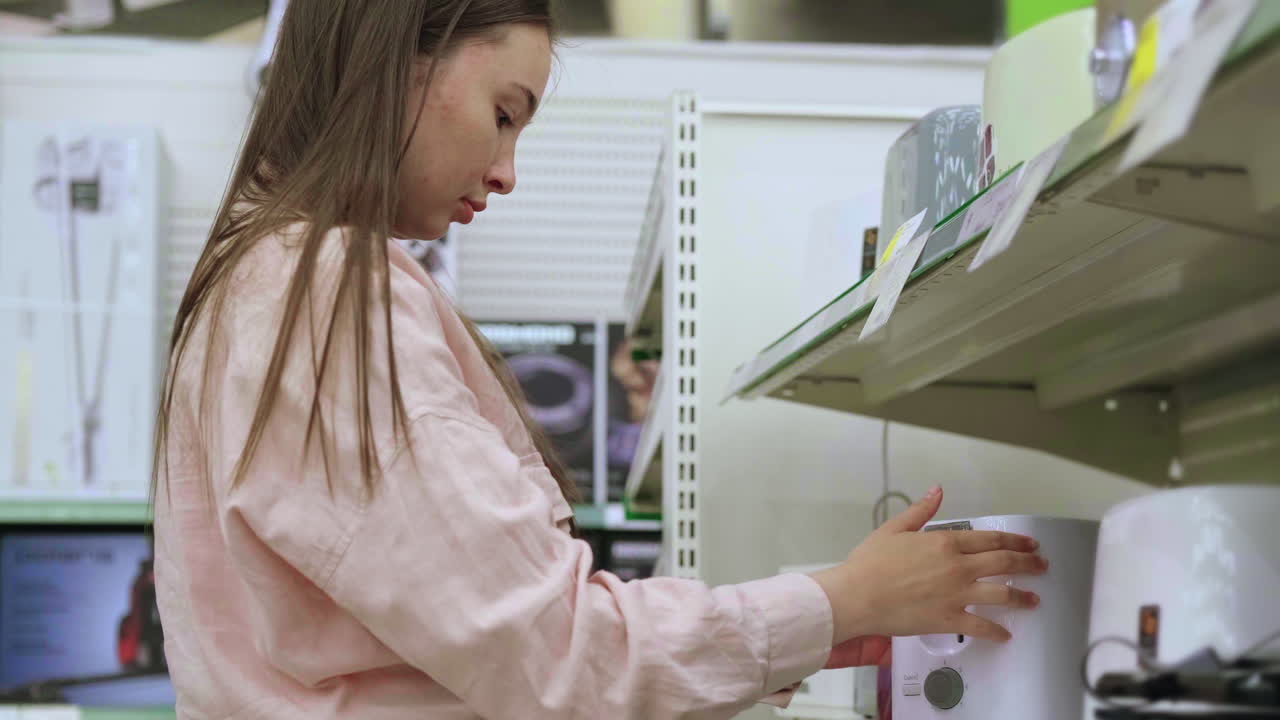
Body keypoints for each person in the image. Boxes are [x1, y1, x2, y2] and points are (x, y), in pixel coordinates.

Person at [150, 1, 1047, 718]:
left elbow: (495, 651)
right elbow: (561, 655)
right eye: (504, 114)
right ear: (398, 57)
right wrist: (837, 602)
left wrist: (800, 633)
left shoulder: (274, 283)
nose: (508, 173)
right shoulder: (322, 296)